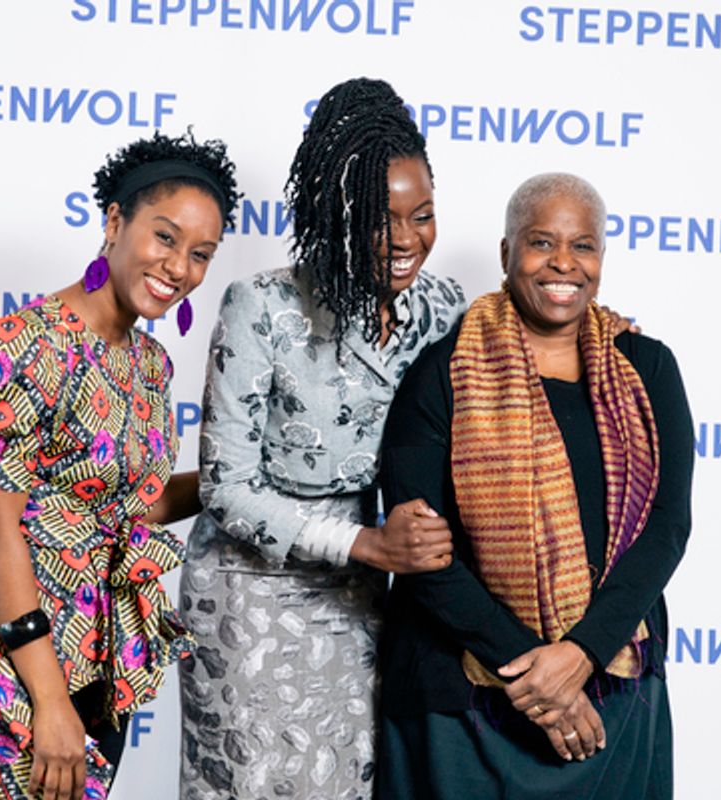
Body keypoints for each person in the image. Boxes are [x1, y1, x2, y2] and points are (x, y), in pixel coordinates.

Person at [0, 131, 240, 800]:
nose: (179, 268)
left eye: (200, 254)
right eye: (165, 237)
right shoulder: (26, 342)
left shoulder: (149, 364)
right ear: (115, 222)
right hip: (13, 665)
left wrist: (235, 480)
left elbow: (125, 509)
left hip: (102, 658)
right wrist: (50, 701)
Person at [177, 77, 462, 800]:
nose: (406, 240)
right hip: (252, 593)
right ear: (335, 216)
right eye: (379, 219)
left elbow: (529, 348)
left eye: (422, 215)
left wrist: (605, 333)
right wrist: (367, 544)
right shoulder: (263, 306)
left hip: (361, 600)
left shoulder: (446, 309)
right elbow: (226, 488)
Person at [376, 173, 694, 799]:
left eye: (583, 246)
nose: (563, 264)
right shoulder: (440, 374)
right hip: (461, 701)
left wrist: (581, 655)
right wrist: (542, 679)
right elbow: (423, 556)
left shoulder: (647, 367)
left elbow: (667, 527)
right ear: (506, 253)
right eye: (542, 242)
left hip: (612, 687)